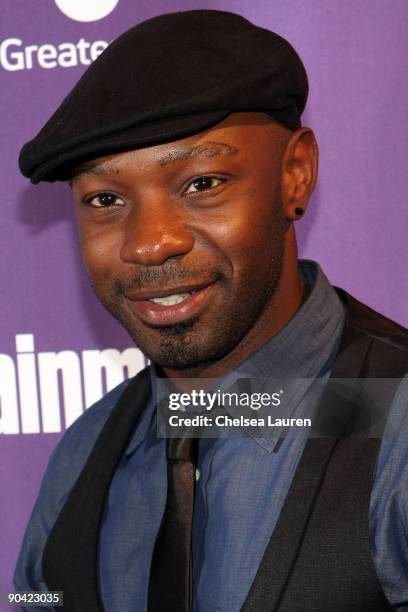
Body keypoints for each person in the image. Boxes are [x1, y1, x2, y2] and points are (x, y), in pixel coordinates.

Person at [14, 9, 408, 612]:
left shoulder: (395, 426)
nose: (148, 242)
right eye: (106, 198)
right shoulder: (83, 454)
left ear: (295, 175)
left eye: (202, 184)